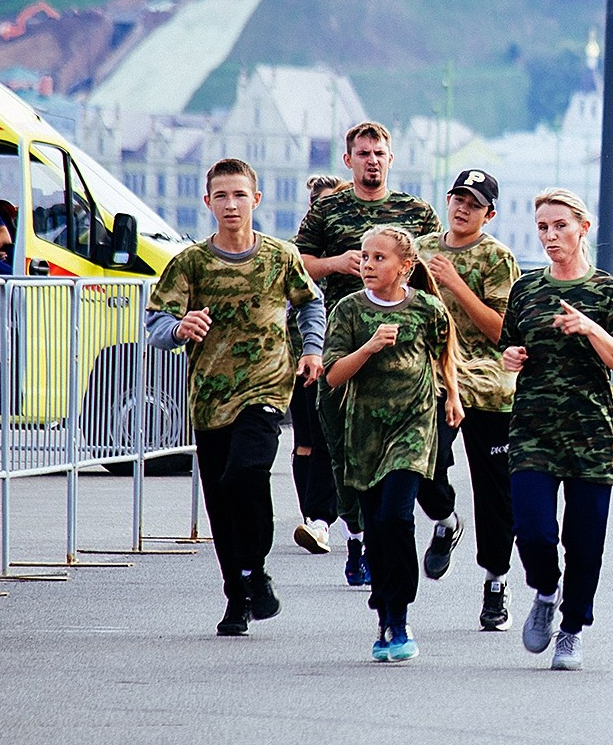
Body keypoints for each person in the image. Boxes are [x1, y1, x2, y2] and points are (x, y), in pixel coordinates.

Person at [146, 158, 324, 637]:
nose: (231, 204)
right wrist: (179, 328)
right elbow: (156, 324)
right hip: (209, 398)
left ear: (256, 200)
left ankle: (253, 566)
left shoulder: (280, 257)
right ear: (207, 203)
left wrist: (311, 349)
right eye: (221, 196)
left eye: (240, 195)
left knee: (248, 469)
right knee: (223, 498)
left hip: (266, 387)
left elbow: (311, 303)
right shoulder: (190, 263)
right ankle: (241, 590)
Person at [499, 189, 613, 672]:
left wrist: (590, 328)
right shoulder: (526, 289)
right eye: (543, 227)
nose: (550, 235)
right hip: (533, 431)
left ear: (583, 228)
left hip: (590, 434)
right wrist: (511, 357)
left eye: (560, 225)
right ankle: (544, 590)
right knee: (533, 531)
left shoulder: (608, 293)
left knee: (585, 544)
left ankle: (571, 629)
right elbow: (510, 347)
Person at [295, 122, 441, 587]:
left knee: (396, 460)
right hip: (341, 336)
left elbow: (436, 267)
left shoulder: (414, 212)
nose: (371, 160)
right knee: (340, 449)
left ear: (391, 158)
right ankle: (352, 534)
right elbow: (296, 266)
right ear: (348, 160)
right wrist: (337, 263)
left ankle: (387, 537)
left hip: (404, 346)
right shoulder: (330, 209)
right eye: (363, 153)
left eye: (379, 152)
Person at [323, 227, 462, 663]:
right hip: (364, 433)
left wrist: (453, 395)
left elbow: (444, 355)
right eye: (364, 256)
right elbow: (332, 376)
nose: (367, 264)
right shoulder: (349, 310)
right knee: (377, 527)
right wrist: (368, 347)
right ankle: (384, 612)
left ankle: (399, 617)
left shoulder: (427, 310)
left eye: (379, 258)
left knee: (397, 517)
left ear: (405, 267)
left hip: (413, 428)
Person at [416, 168, 520, 630]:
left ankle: (496, 581)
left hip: (489, 385)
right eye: (458, 198)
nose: (462, 208)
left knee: (496, 492)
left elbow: (503, 330)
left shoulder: (497, 258)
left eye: (474, 203)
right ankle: (445, 519)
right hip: (435, 379)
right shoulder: (420, 251)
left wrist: (457, 283)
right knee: (418, 464)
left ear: (489, 214)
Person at [290, 174, 349, 557]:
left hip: (342, 357)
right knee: (306, 442)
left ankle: (327, 517)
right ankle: (314, 517)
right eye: (318, 205)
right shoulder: (305, 255)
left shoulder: (355, 251)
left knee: (333, 438)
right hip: (302, 355)